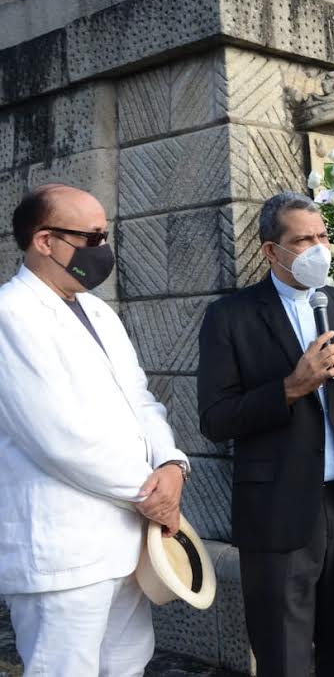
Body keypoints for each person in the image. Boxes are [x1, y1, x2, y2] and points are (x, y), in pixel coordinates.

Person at [197, 192, 334, 676]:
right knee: (284, 657)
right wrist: (291, 387)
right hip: (278, 513)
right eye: (303, 239)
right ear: (272, 251)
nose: (319, 249)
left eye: (324, 237)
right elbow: (216, 419)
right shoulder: (232, 316)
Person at [0, 184, 189, 675]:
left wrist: (170, 465)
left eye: (105, 236)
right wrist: (150, 493)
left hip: (128, 541)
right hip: (65, 552)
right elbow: (58, 436)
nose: (102, 250)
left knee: (127, 666)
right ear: (44, 241)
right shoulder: (10, 314)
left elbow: (140, 398)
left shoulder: (99, 312)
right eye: (91, 237)